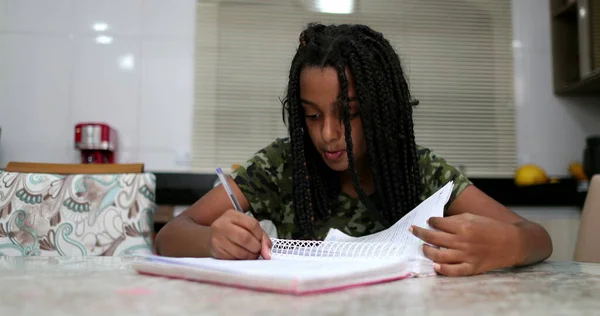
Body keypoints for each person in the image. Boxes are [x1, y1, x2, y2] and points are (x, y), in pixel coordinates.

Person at [155, 22, 553, 276]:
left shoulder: (420, 170)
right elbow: (172, 234)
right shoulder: (282, 164)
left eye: (348, 114)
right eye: (311, 117)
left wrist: (508, 245)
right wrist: (212, 241)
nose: (328, 134)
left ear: (380, 111)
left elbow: (536, 236)